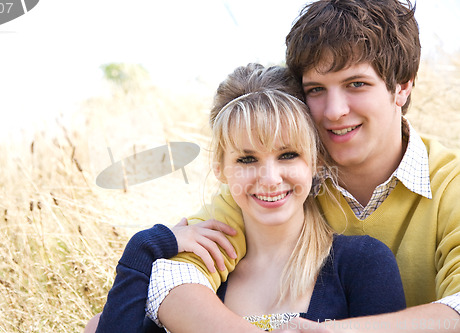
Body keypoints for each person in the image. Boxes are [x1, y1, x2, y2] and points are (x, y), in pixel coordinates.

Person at [147, 0, 460, 332]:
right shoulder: (278, 186)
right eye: (316, 89)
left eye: (357, 84)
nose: (334, 111)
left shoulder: (450, 187)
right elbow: (173, 279)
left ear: (403, 85)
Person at [91, 63, 406, 332]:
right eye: (246, 159)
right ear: (220, 168)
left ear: (315, 162)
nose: (269, 179)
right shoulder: (199, 277)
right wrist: (144, 248)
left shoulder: (362, 264)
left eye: (288, 155)